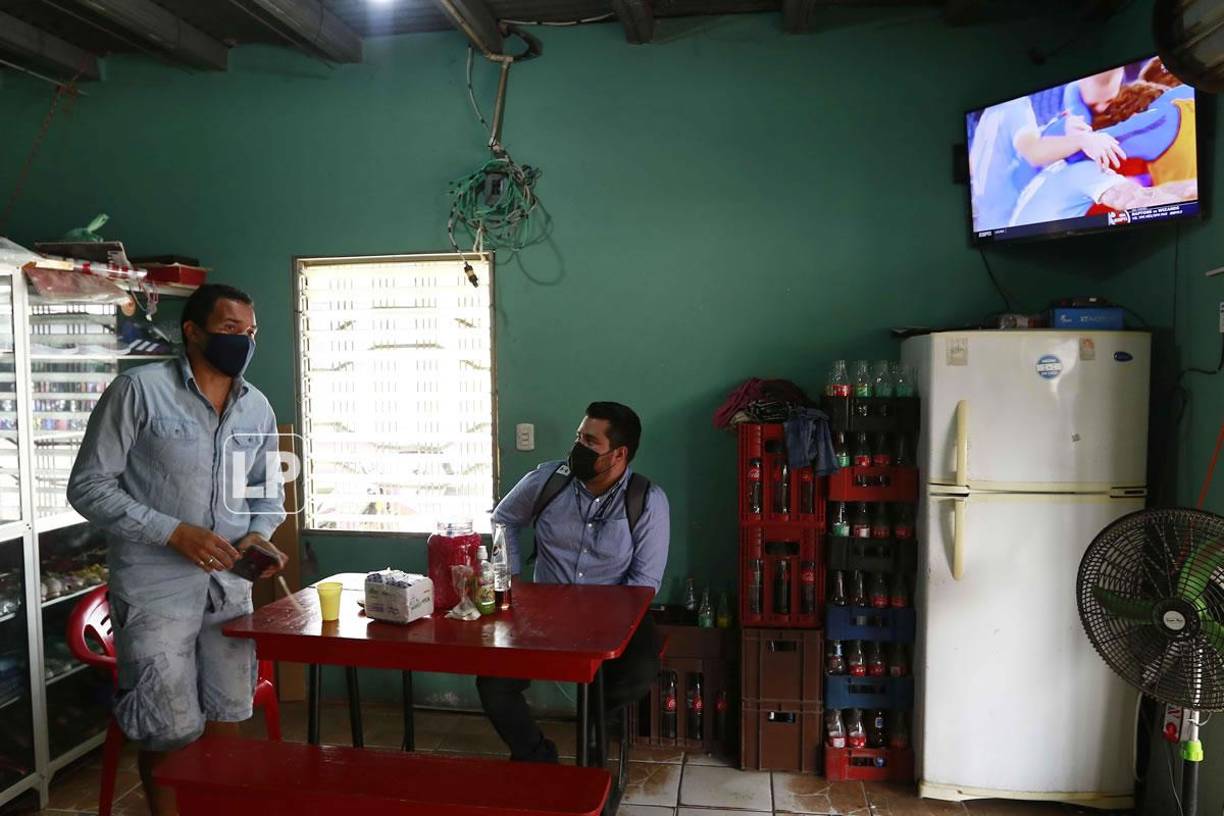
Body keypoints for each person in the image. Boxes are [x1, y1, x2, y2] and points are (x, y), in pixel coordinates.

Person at [67, 283, 288, 816]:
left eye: (251, 332)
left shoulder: (254, 407)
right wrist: (172, 531)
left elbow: (266, 493)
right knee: (166, 729)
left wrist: (259, 533)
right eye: (231, 330)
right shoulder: (138, 392)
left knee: (228, 712)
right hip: (155, 592)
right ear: (192, 331)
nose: (244, 342)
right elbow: (88, 486)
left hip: (229, 590)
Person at [478, 402, 670, 763]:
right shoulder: (548, 481)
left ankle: (595, 734)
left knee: (639, 671)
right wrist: (513, 578)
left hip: (614, 612)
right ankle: (535, 757)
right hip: (544, 609)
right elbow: (503, 518)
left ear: (619, 454)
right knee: (492, 682)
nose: (577, 447)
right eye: (578, 436)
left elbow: (644, 584)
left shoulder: (647, 501)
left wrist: (604, 625)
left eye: (589, 441)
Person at [969, 95, 1123, 232]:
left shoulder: (987, 119)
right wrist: (1083, 140)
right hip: (1014, 226)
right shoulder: (1013, 106)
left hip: (988, 231)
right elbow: (1034, 152)